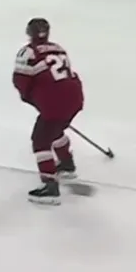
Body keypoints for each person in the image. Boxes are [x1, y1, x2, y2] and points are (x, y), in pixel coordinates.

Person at [13, 17, 84, 205]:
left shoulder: (28, 52)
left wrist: (31, 98)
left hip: (54, 101)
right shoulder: (58, 48)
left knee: (40, 140)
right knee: (54, 128)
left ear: (29, 33)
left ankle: (50, 186)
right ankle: (66, 164)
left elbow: (20, 81)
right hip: (75, 97)